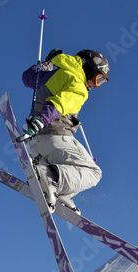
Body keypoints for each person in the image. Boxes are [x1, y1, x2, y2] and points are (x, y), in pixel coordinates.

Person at [18, 49, 110, 213]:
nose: (95, 85)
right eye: (98, 79)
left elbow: (28, 77)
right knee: (94, 173)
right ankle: (51, 179)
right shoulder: (79, 86)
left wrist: (48, 65)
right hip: (55, 136)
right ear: (87, 68)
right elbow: (59, 104)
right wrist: (40, 121)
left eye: (101, 82)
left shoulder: (55, 74)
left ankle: (53, 189)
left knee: (69, 170)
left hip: (34, 142)